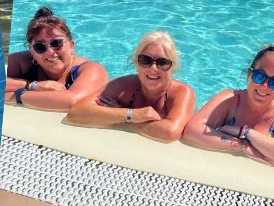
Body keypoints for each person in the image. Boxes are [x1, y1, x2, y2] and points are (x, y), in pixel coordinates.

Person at [183, 46, 274, 167]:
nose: (264, 86)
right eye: (260, 76)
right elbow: (192, 130)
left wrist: (245, 132)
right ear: (249, 74)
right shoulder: (231, 99)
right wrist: (242, 146)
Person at [67, 31, 195, 142]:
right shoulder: (123, 85)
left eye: (162, 63)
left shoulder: (182, 93)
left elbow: (170, 133)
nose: (153, 69)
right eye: (145, 60)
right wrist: (130, 114)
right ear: (136, 62)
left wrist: (121, 114)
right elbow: (76, 112)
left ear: (172, 67)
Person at [5, 7, 108, 110]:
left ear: (71, 46)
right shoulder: (22, 61)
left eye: (56, 43)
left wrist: (15, 96)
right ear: (32, 51)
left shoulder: (92, 69)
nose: (50, 52)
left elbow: (73, 101)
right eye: (39, 47)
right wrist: (32, 86)